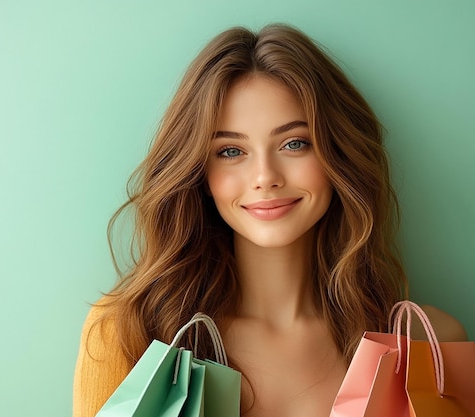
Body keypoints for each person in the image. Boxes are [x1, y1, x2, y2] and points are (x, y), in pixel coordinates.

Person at [72, 23, 467, 417]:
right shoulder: (127, 331)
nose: (265, 177)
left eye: (294, 143)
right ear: (200, 173)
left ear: (337, 158)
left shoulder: (427, 344)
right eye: (230, 151)